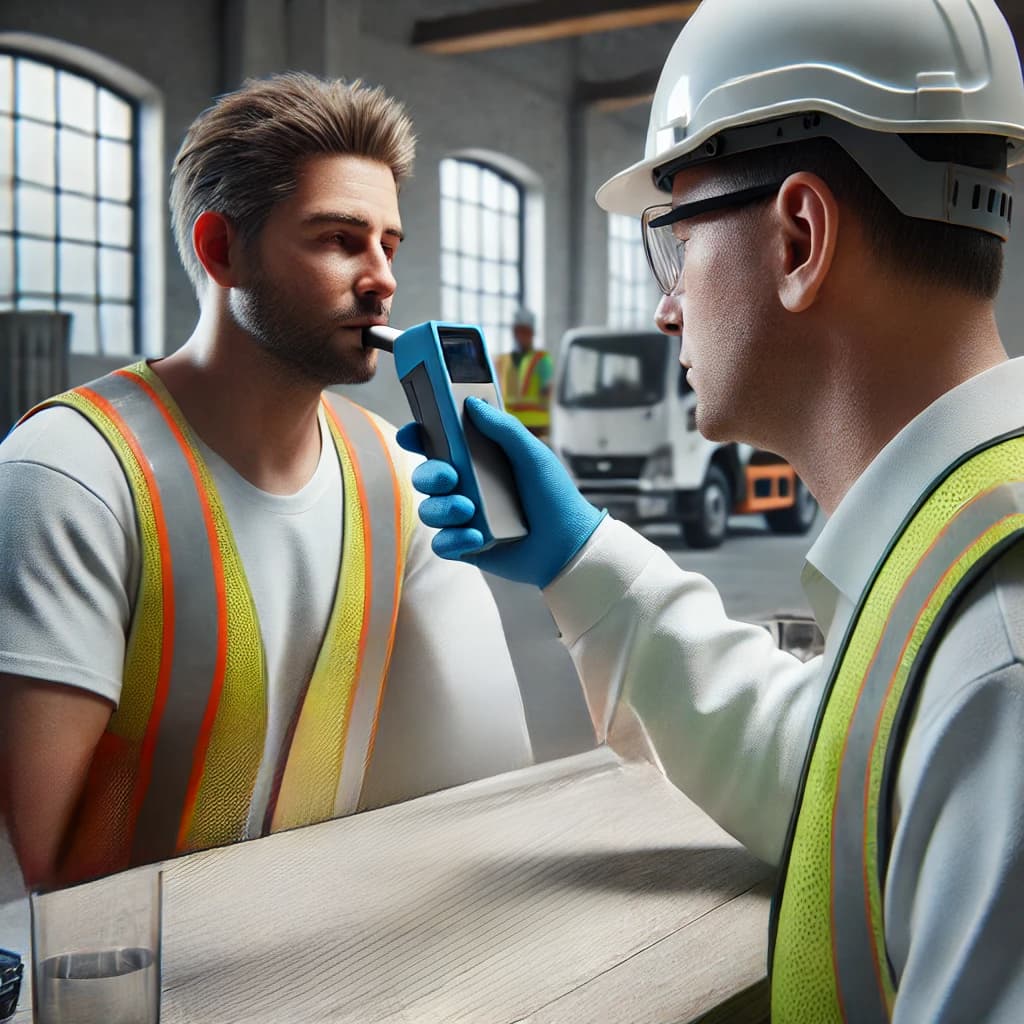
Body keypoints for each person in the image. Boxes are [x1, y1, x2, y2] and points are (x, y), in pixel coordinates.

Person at [397, 1, 1024, 1021]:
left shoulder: (1001, 660)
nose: (665, 304)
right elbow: (829, 767)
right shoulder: (965, 551)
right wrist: (583, 556)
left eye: (673, 239)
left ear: (798, 239)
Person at [0, 73, 532, 891]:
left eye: (389, 244)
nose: (382, 277)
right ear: (222, 250)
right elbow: (33, 872)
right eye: (338, 239)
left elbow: (487, 777)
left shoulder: (397, 473)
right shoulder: (69, 475)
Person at [494, 307, 553, 441]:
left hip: (537, 427)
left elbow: (548, 392)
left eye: (525, 332)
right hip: (510, 425)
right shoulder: (502, 361)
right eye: (518, 331)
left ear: (532, 333)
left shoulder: (541, 359)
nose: (521, 336)